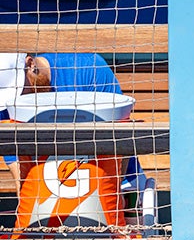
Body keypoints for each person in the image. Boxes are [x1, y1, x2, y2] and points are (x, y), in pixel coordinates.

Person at [0, 52, 140, 198]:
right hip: (45, 180)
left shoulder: (89, 67)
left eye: (21, 90)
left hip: (112, 174)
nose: (20, 99)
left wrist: (115, 194)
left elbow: (120, 134)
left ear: (31, 64)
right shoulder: (7, 104)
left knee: (126, 208)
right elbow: (16, 161)